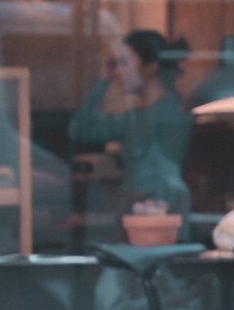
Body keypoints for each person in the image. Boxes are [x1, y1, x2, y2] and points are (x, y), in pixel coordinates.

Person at [69, 28, 192, 229]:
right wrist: (102, 80)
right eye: (115, 65)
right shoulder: (132, 117)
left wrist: (151, 218)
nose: (118, 72)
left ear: (151, 66)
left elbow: (167, 178)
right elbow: (81, 131)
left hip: (160, 219)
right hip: (135, 217)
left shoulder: (171, 112)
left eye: (124, 63)